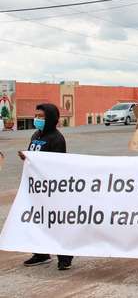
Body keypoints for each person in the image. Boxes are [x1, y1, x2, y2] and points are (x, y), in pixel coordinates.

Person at [17, 103, 74, 270]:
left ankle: (65, 257)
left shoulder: (57, 138)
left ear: (50, 118)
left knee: (56, 223)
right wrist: (26, 157)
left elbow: (56, 163)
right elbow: (35, 158)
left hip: (52, 188)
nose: (37, 119)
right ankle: (41, 254)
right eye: (36, 116)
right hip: (37, 187)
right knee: (38, 221)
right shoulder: (35, 135)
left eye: (41, 117)